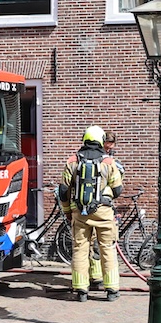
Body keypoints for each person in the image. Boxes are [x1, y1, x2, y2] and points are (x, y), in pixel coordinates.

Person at [59, 125, 124, 302]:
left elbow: (63, 190)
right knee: (107, 248)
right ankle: (111, 289)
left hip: (79, 212)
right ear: (101, 140)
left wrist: (67, 212)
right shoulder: (108, 162)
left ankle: (81, 289)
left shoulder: (72, 160)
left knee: (80, 249)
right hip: (103, 212)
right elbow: (118, 190)